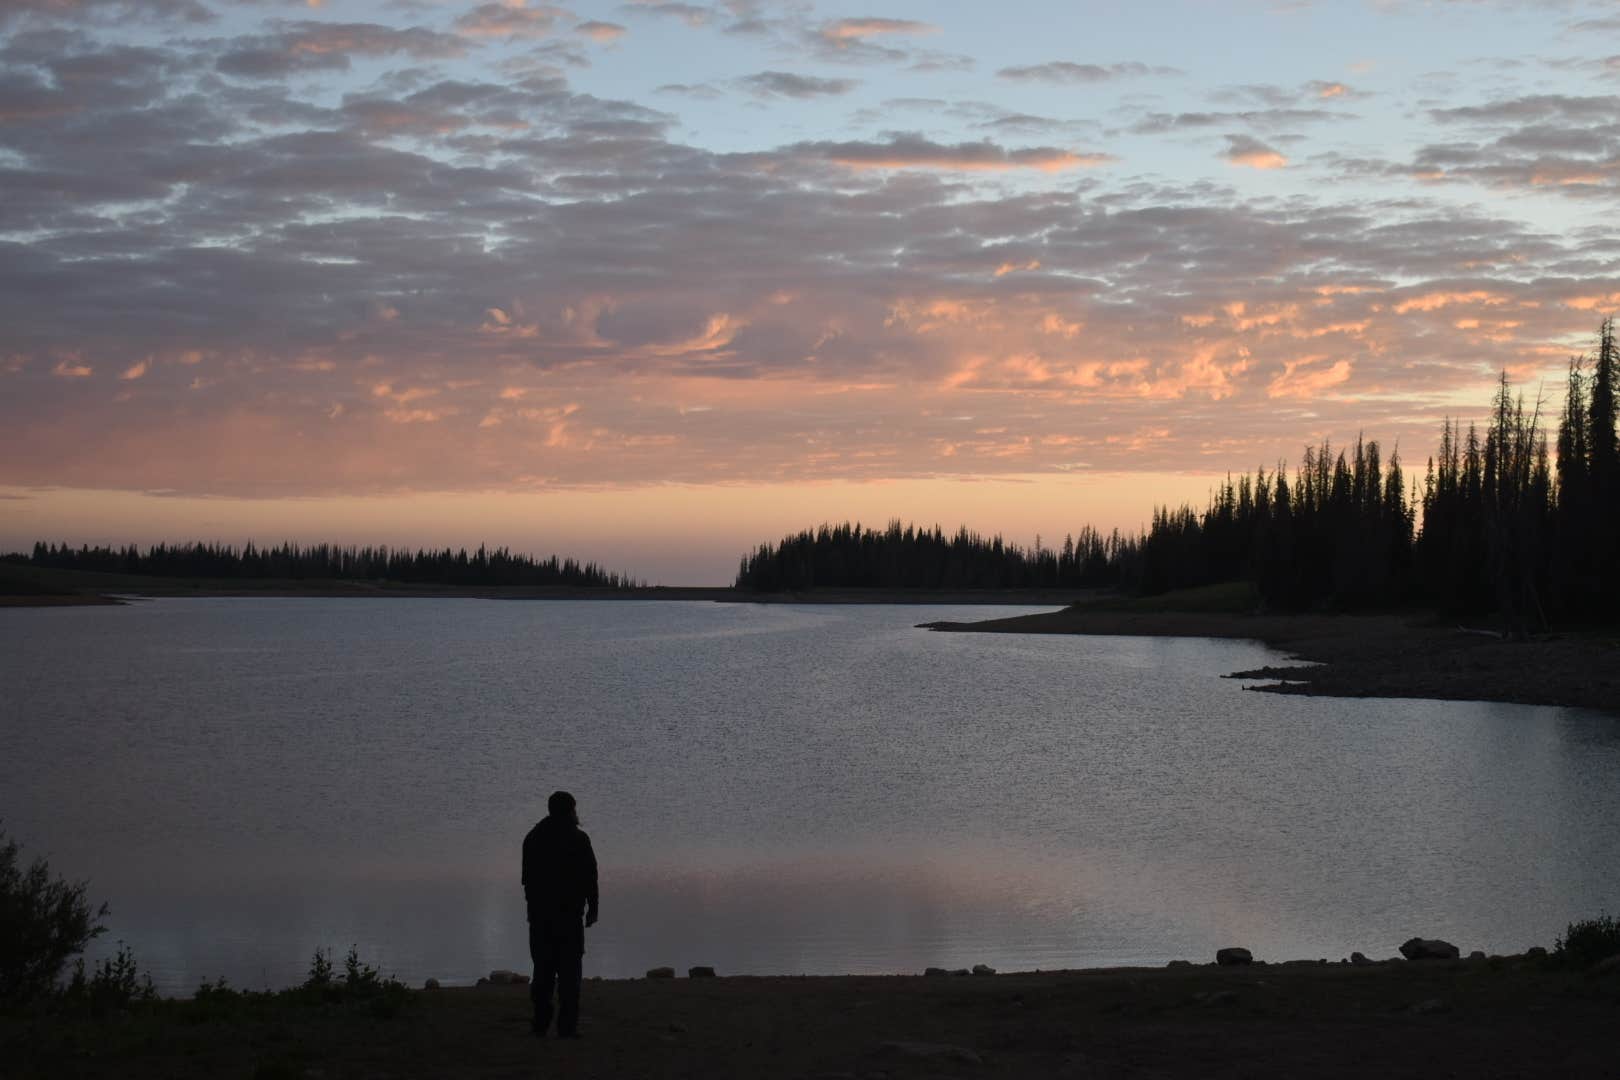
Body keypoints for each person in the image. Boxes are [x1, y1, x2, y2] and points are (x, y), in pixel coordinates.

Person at [521, 790, 599, 1038]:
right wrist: (593, 908)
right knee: (569, 975)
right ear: (570, 811)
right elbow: (590, 878)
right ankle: (567, 1027)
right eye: (575, 809)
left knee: (543, 972)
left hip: (541, 918)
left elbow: (528, 882)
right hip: (569, 918)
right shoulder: (579, 839)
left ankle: (541, 1023)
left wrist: (534, 911)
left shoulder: (533, 838)